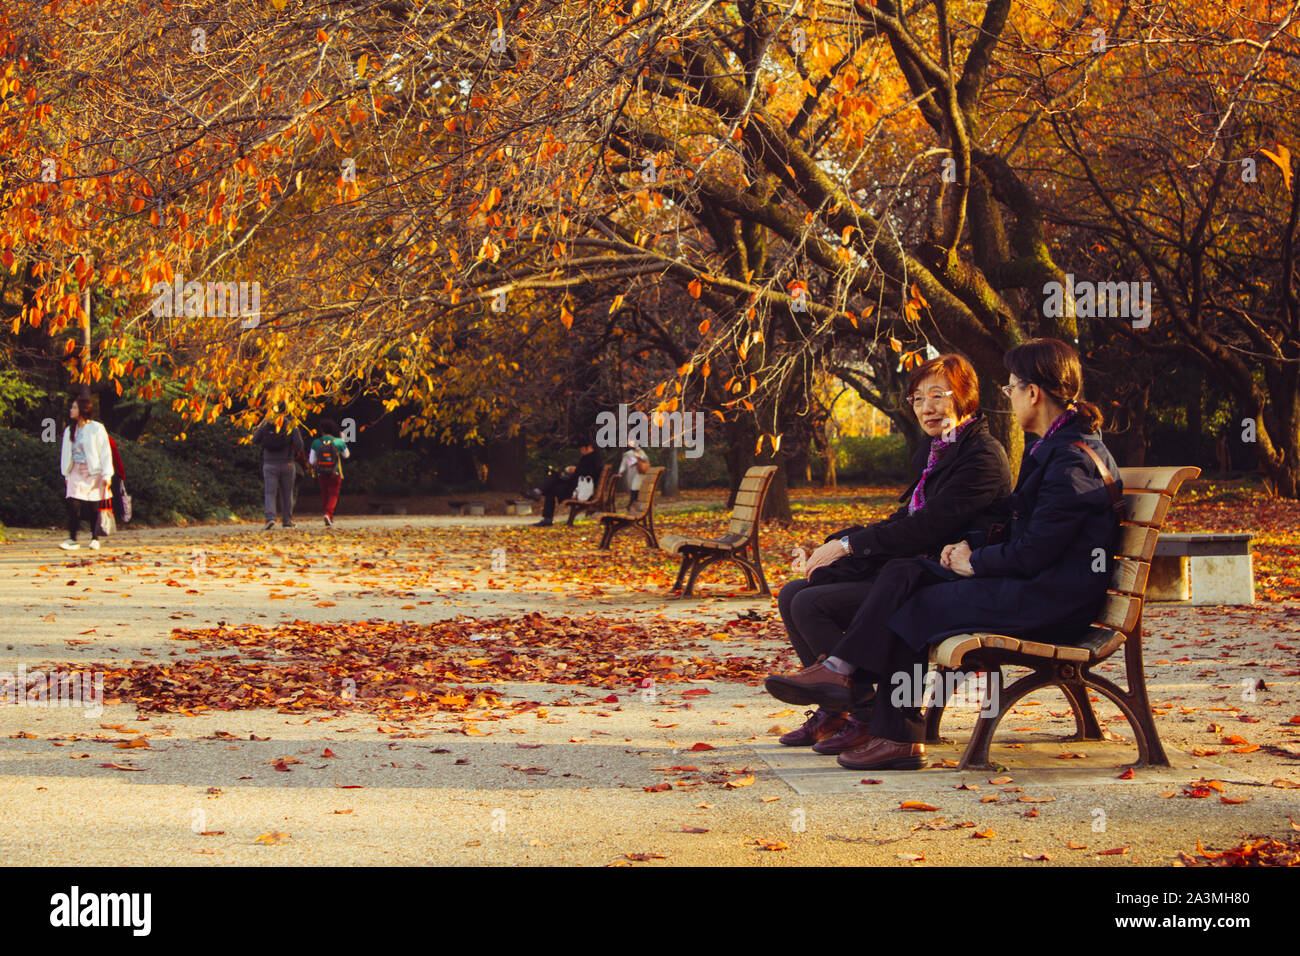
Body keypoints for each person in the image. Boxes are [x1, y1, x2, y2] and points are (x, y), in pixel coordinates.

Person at [765, 338, 1122, 771]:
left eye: (1011, 388)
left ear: (1033, 392)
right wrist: (972, 551)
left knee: (911, 595)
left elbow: (1034, 551)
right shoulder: (1056, 447)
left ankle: (888, 726)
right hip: (1036, 587)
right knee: (904, 577)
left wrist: (975, 561)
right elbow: (1024, 531)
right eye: (919, 398)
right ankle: (856, 693)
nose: (1008, 398)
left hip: (1052, 602)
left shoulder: (1069, 459)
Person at [774, 353, 1011, 755]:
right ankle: (837, 705)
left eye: (937, 395)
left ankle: (858, 710)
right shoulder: (935, 452)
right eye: (917, 399)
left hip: (938, 578)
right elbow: (905, 517)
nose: (926, 407)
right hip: (907, 568)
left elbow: (926, 527)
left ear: (966, 397)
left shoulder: (982, 456)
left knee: (812, 604)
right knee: (794, 592)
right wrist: (836, 545)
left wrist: (849, 545)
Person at [59, 394, 113, 550]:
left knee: (93, 507)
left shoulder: (96, 428)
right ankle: (72, 539)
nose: (71, 410)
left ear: (82, 409)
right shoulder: (70, 429)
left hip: (93, 472)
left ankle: (95, 538)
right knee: (73, 505)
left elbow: (105, 451)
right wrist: (66, 473)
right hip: (75, 470)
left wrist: (106, 474)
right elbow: (65, 452)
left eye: (74, 407)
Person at [523, 440, 602, 526]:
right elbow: (584, 473)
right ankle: (538, 495)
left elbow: (589, 474)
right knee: (554, 479)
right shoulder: (593, 458)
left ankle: (540, 499)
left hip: (578, 490)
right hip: (576, 487)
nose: (581, 451)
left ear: (589, 447)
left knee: (553, 481)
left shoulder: (593, 458)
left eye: (582, 449)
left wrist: (575, 470)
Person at [252, 403, 305, 530]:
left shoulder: (265, 424)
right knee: (287, 493)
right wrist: (293, 452)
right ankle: (287, 521)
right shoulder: (291, 425)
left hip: (269, 463)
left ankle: (270, 518)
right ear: (286, 411)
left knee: (270, 492)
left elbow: (254, 440)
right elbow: (299, 445)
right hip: (287, 463)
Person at [310, 419, 350, 527]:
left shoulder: (316, 442)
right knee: (333, 494)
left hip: (321, 472)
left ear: (321, 430)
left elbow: (311, 460)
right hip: (335, 471)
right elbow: (346, 455)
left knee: (325, 494)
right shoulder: (338, 441)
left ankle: (328, 516)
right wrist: (343, 440)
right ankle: (328, 514)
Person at [618, 440, 651, 510]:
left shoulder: (640, 451)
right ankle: (634, 505)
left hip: (639, 473)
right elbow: (625, 464)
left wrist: (638, 455)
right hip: (632, 473)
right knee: (634, 489)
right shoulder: (627, 453)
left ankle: (631, 504)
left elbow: (646, 459)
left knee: (635, 488)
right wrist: (620, 472)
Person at [107, 433, 127, 527]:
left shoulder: (108, 440)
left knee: (113, 497)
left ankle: (115, 519)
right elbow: (116, 457)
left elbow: (115, 457)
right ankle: (118, 519)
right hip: (113, 472)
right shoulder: (109, 440)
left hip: (111, 472)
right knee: (116, 496)